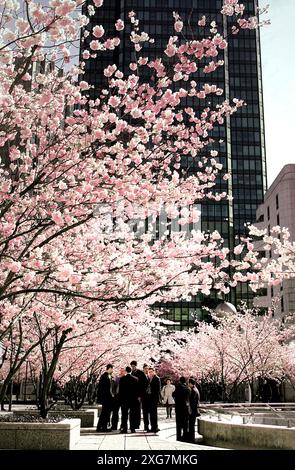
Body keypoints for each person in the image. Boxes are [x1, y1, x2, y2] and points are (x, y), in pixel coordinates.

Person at [119, 366, 139, 433]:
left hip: (124, 399)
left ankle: (124, 428)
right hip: (133, 399)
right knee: (132, 414)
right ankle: (132, 428)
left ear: (126, 371)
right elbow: (137, 391)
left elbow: (120, 391)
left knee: (124, 414)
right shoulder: (136, 379)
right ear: (131, 371)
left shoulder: (122, 379)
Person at [96, 364, 115, 432]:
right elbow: (105, 389)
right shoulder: (105, 377)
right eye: (112, 369)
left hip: (107, 399)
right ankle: (103, 427)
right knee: (105, 413)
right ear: (109, 368)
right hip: (106, 399)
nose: (113, 370)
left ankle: (101, 427)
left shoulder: (108, 376)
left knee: (105, 413)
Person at [130, 360, 148, 429]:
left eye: (134, 366)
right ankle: (133, 424)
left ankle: (137, 424)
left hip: (139, 394)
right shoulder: (131, 373)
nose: (133, 367)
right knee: (133, 410)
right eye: (132, 366)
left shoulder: (140, 373)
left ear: (136, 366)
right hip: (133, 394)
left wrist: (141, 394)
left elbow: (145, 383)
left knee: (138, 410)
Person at [172, 376, 190, 441]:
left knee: (179, 424)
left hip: (178, 408)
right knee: (185, 424)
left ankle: (178, 437)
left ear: (180, 381)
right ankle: (185, 437)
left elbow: (173, 394)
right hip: (185, 408)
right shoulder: (187, 388)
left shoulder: (178, 387)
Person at [145, 367, 161, 433]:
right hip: (149, 398)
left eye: (151, 372)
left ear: (154, 372)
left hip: (154, 398)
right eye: (149, 372)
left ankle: (155, 427)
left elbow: (158, 390)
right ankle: (152, 427)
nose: (150, 373)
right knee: (151, 414)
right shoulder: (148, 378)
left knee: (154, 414)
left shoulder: (157, 378)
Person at [187, 378, 200, 443]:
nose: (188, 384)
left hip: (193, 411)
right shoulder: (196, 389)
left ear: (191, 383)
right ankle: (191, 437)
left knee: (191, 425)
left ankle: (191, 438)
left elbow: (192, 402)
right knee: (191, 425)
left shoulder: (193, 391)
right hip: (194, 410)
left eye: (188, 383)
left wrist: (190, 409)